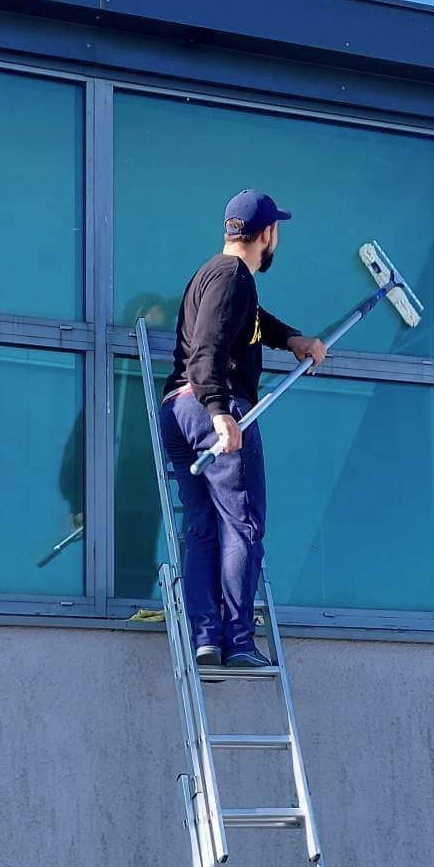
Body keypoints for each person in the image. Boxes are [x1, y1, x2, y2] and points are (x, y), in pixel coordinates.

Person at [159, 190, 326, 668]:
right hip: (213, 407)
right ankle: (236, 639)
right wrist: (219, 410)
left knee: (204, 528)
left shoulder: (219, 275)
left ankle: (206, 638)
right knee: (243, 525)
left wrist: (293, 339)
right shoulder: (232, 277)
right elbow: (208, 347)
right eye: (278, 233)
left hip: (179, 410)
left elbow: (251, 322)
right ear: (268, 234)